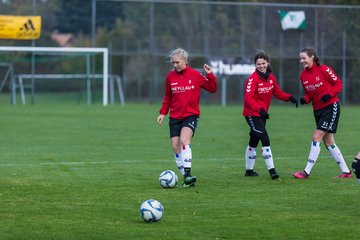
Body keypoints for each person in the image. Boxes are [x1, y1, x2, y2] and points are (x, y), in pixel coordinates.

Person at [157, 48, 217, 187]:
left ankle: (188, 174)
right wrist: (162, 113)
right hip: (175, 116)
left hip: (191, 115)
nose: (175, 65)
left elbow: (212, 88)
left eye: (177, 62)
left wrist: (210, 75)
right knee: (175, 146)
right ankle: (186, 177)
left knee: (184, 140)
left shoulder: (195, 75)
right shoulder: (170, 77)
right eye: (173, 63)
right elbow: (168, 97)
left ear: (185, 61)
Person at [293, 47, 352, 179]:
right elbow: (310, 94)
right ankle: (346, 172)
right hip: (317, 110)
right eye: (300, 59)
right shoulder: (303, 75)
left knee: (316, 137)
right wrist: (305, 99)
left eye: (304, 58)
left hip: (331, 107)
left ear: (312, 57)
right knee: (329, 142)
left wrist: (329, 94)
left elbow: (338, 84)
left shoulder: (324, 69)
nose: (301, 61)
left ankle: (306, 172)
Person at [243, 51, 298, 180]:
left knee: (254, 140)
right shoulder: (252, 79)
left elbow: (277, 93)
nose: (261, 66)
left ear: (268, 63)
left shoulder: (271, 77)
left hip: (262, 114)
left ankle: (249, 171)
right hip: (252, 114)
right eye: (258, 64)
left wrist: (289, 98)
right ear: (255, 65)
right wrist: (260, 109)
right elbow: (248, 98)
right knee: (264, 137)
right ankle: (272, 171)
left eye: (263, 63)